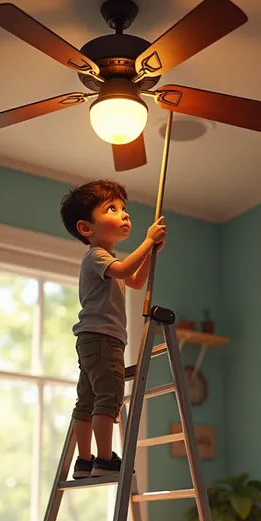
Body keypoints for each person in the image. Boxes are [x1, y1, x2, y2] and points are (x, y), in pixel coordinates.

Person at [60, 179, 167, 478]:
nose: (124, 214)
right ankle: (105, 459)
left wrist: (150, 252)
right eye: (112, 208)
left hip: (92, 339)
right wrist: (147, 242)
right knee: (109, 397)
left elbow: (134, 280)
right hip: (103, 338)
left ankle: (84, 460)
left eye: (124, 209)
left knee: (88, 399)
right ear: (86, 228)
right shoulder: (97, 256)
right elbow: (124, 271)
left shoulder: (106, 259)